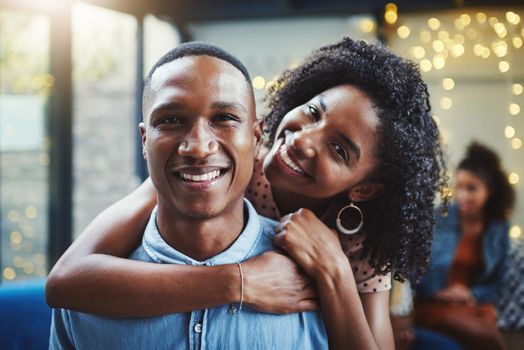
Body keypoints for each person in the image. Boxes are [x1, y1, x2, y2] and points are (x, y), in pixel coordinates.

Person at [47, 38, 447, 349]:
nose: (303, 141)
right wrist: (240, 282)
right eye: (313, 112)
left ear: (364, 188)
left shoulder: (358, 242)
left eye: (339, 150)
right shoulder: (222, 163)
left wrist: (334, 269)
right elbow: (66, 280)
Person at [50, 42, 329, 349]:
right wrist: (236, 282)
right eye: (171, 120)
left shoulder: (311, 278)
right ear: (145, 141)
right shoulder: (86, 296)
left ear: (255, 137)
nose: (198, 147)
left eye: (224, 118)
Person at [414, 141, 515, 350]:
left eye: (472, 188)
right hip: (433, 302)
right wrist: (440, 292)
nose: (462, 196)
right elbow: (413, 270)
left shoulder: (498, 228)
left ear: (491, 190)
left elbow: (496, 282)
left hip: (471, 305)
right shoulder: (438, 218)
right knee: (491, 340)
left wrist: (470, 294)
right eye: (459, 187)